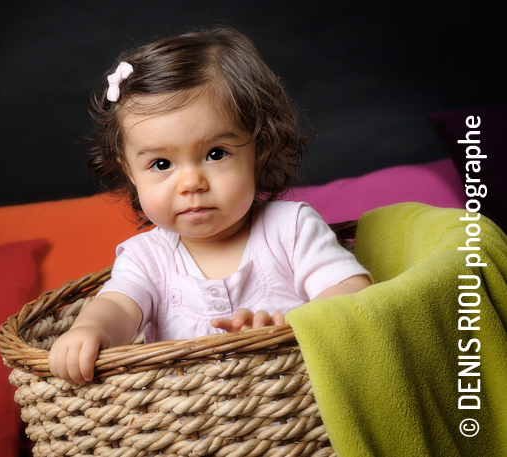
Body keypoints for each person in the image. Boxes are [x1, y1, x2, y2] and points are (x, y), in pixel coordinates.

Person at [48, 25, 371, 385]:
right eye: (161, 164)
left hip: (298, 411)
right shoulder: (146, 258)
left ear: (259, 150)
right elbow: (118, 306)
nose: (191, 184)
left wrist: (295, 327)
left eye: (215, 154)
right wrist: (91, 330)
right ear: (131, 173)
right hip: (192, 428)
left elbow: (350, 293)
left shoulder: (291, 228)